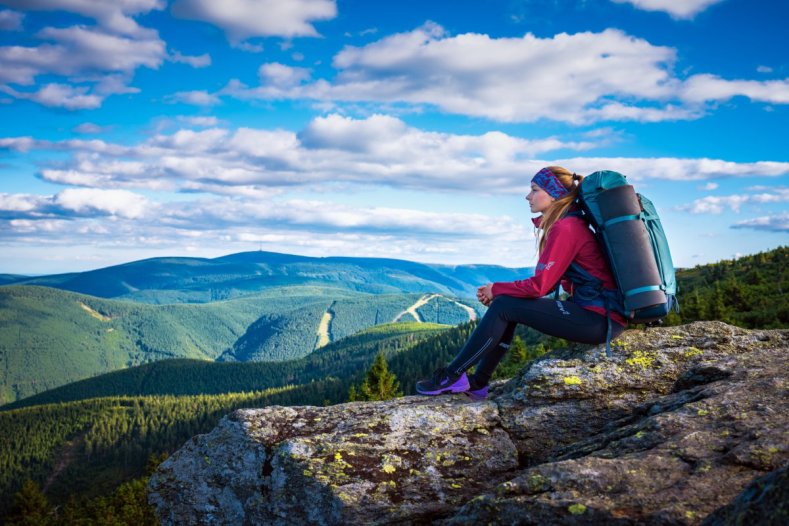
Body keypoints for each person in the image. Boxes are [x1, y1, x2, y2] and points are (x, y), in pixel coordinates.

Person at [416, 166, 627, 399]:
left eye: (534, 190)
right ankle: (477, 383)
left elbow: (540, 286)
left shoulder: (567, 227)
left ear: (554, 193)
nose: (528, 196)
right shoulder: (571, 223)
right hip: (599, 315)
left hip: (598, 320)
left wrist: (496, 289)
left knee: (505, 305)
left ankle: (453, 376)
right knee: (508, 305)